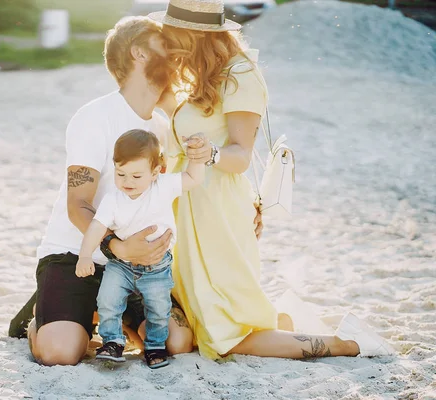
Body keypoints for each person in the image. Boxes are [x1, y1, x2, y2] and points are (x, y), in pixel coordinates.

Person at [143, 0, 395, 359]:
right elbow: (184, 127)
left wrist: (209, 153)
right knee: (209, 322)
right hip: (189, 209)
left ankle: (346, 343)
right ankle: (286, 323)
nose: (167, 44)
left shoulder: (240, 75)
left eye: (172, 36)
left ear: (193, 36)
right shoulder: (200, 77)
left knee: (224, 335)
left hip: (217, 212)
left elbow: (241, 156)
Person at [7, 16, 211, 366]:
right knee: (60, 352)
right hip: (75, 254)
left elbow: (180, 184)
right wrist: (116, 246)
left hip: (138, 266)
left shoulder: (162, 128)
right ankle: (41, 313)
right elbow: (78, 204)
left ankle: (105, 318)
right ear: (139, 53)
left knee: (177, 342)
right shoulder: (95, 117)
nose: (177, 54)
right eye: (165, 44)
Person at [76, 129, 205, 368]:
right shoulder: (113, 199)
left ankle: (155, 346)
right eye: (121, 173)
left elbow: (193, 179)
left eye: (136, 176)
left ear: (155, 172)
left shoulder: (163, 187)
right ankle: (113, 341)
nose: (127, 182)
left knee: (158, 308)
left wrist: (197, 158)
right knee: (107, 299)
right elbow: (96, 227)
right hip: (120, 265)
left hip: (157, 268)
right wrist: (85, 255)